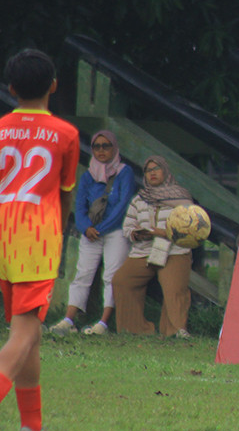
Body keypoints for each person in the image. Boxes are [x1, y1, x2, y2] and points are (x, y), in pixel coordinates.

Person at [0, 49, 80, 431]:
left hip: (2, 230)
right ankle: (28, 425)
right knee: (23, 333)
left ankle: (31, 428)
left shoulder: (0, 127)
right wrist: (59, 236)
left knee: (28, 334)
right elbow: (66, 194)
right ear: (53, 86)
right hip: (35, 237)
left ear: (11, 89)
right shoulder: (66, 134)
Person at [48, 130, 136, 336]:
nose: (101, 150)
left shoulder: (124, 172)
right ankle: (69, 319)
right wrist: (85, 227)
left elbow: (123, 205)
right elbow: (79, 205)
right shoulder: (89, 175)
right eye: (97, 146)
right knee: (82, 274)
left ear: (114, 148)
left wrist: (101, 229)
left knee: (111, 275)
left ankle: (103, 322)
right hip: (90, 232)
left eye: (106, 146)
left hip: (115, 231)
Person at [112, 156, 193, 338]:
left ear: (165, 171)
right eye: (148, 170)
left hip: (174, 250)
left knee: (174, 288)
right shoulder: (139, 199)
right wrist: (136, 233)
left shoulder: (181, 197)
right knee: (122, 280)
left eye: (157, 169)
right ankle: (134, 329)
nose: (153, 173)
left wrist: (165, 233)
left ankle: (175, 331)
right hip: (144, 250)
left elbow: (192, 226)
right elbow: (127, 226)